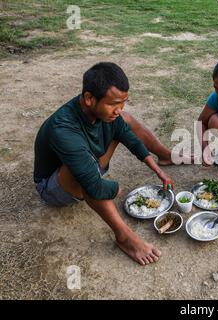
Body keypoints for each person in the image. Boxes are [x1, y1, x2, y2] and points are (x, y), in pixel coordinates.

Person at [34, 62, 177, 266]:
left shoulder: (102, 111)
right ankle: (124, 237)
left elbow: (128, 136)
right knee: (88, 176)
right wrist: (124, 190)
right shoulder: (63, 128)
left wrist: (157, 170)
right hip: (53, 186)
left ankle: (165, 156)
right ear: (89, 98)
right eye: (114, 104)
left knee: (123, 122)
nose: (118, 109)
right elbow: (94, 185)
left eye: (123, 102)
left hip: (89, 162)